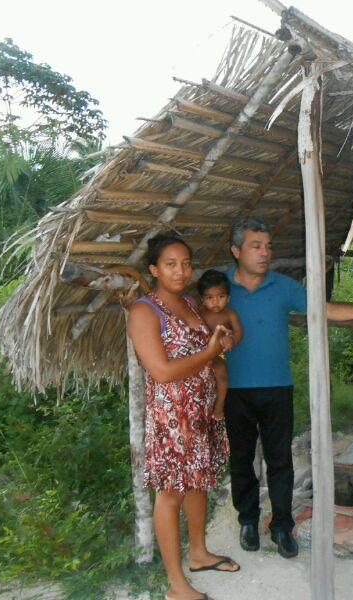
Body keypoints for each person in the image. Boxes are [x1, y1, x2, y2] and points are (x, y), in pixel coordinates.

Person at [224, 216, 353, 559]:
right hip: (234, 390)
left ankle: (282, 525)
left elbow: (322, 309)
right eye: (256, 246)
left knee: (279, 460)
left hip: (277, 388)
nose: (264, 253)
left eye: (268, 246)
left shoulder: (283, 286)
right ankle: (248, 520)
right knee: (240, 460)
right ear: (236, 251)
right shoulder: (220, 287)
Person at [127, 234, 240, 600]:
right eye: (171, 264)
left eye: (186, 263)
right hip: (172, 421)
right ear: (154, 269)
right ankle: (176, 586)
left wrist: (220, 341)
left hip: (200, 413)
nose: (181, 271)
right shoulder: (145, 311)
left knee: (198, 483)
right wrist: (209, 353)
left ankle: (199, 553)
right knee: (171, 493)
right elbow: (160, 371)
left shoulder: (191, 304)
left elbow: (206, 346)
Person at [197, 269, 244, 421]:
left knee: (222, 374)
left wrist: (232, 339)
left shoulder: (230, 314)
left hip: (216, 355)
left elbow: (239, 331)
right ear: (202, 299)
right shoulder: (198, 312)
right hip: (196, 356)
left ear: (228, 297)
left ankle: (219, 407)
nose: (215, 302)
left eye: (221, 296)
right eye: (209, 297)